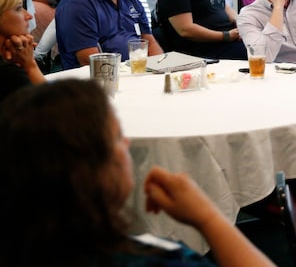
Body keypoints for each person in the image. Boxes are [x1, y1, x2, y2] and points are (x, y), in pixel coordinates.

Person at [0, 79, 276, 266]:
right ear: (92, 173)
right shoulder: (157, 259)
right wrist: (209, 218)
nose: (128, 143)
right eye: (118, 138)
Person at [0, 0, 46, 102]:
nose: (28, 16)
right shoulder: (9, 75)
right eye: (19, 8)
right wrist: (30, 65)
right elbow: (59, 110)